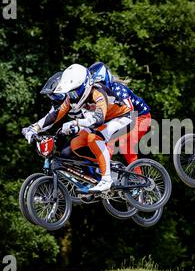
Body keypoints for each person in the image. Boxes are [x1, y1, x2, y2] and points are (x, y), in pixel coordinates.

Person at [22, 63, 132, 192]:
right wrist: (34, 128)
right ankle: (103, 167)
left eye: (75, 91)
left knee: (95, 138)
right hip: (105, 123)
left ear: (85, 85)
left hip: (123, 118)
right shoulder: (71, 98)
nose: (73, 96)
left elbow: (98, 119)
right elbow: (54, 116)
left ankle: (106, 179)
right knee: (75, 144)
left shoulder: (98, 92)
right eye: (71, 92)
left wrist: (76, 123)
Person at [88, 62, 151, 165]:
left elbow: (128, 110)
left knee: (114, 141)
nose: (99, 88)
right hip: (127, 117)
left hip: (140, 116)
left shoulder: (118, 88)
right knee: (125, 148)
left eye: (101, 84)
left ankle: (104, 170)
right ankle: (137, 178)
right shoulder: (102, 93)